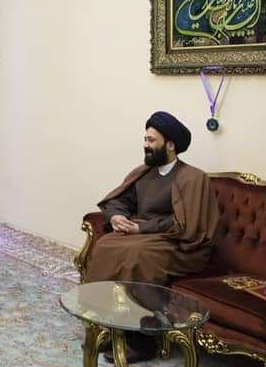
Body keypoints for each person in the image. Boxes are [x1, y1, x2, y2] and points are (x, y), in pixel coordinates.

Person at [86, 111, 219, 285]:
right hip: (142, 235)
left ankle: (130, 303)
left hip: (176, 243)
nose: (145, 145)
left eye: (151, 140)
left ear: (170, 145)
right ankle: (99, 300)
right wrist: (116, 216)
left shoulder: (193, 177)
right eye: (145, 139)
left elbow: (185, 224)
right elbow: (120, 201)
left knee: (137, 254)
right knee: (105, 244)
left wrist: (141, 228)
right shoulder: (143, 172)